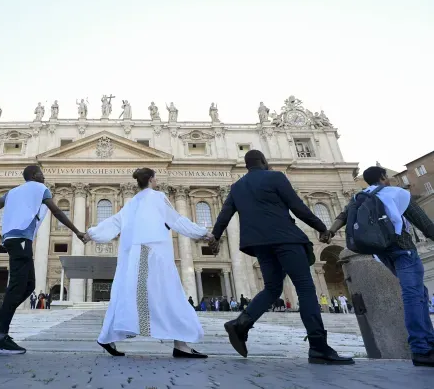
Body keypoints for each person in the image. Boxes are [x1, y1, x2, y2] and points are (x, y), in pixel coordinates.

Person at [211, 150, 354, 365]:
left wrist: (214, 236)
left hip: (258, 244)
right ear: (264, 162)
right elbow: (297, 206)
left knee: (271, 288)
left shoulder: (237, 186)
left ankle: (241, 324)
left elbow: (224, 214)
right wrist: (321, 227)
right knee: (305, 288)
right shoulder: (275, 177)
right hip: (285, 239)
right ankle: (318, 346)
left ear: (246, 165)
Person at [84, 167, 212, 358]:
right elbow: (177, 220)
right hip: (154, 253)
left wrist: (91, 234)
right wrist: (203, 233)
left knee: (126, 296)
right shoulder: (157, 197)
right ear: (152, 179)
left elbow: (114, 222)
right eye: (155, 178)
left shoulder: (132, 202)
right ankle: (181, 345)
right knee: (170, 294)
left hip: (134, 256)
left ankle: (106, 337)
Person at [0, 165, 85, 355]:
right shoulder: (40, 188)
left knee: (29, 285)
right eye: (41, 173)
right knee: (18, 286)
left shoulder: (13, 192)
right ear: (34, 175)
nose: (44, 176)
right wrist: (77, 232)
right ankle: (0, 338)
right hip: (21, 239)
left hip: (10, 239)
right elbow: (57, 211)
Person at [323, 165, 434, 367]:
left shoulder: (359, 196)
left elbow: (343, 216)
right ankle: (421, 348)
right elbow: (424, 224)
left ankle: (429, 341)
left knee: (419, 293)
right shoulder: (396, 193)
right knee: (412, 294)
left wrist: (330, 231)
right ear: (383, 177)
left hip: (381, 251)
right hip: (403, 248)